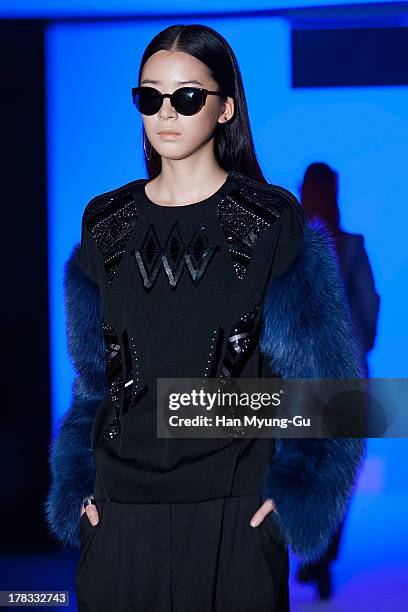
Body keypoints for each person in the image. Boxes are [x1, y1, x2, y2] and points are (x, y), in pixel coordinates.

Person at [44, 24, 367, 612]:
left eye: (188, 96)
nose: (166, 113)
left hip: (233, 518)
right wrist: (78, 491)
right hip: (119, 516)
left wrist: (295, 496)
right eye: (150, 96)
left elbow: (332, 388)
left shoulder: (272, 223)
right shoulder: (106, 223)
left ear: (226, 108)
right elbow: (96, 382)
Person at [295, 162, 380, 599]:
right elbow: (368, 315)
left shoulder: (293, 248)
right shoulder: (344, 247)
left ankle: (318, 554)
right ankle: (320, 555)